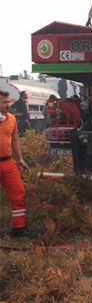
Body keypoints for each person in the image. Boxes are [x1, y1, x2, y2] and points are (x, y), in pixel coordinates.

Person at [0, 90, 29, 237]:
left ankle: (19, 229)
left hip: (8, 162)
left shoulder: (11, 119)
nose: (8, 105)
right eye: (4, 102)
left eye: (8, 102)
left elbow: (15, 140)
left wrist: (20, 159)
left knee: (19, 194)